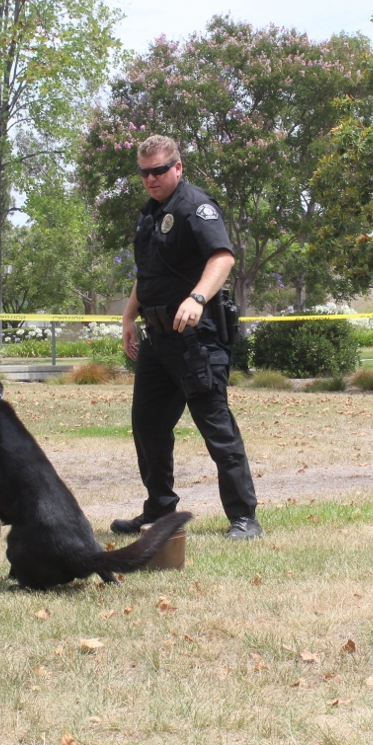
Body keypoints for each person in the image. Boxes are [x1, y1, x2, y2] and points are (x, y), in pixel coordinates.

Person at [112, 135, 262, 540]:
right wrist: (129, 316)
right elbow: (147, 277)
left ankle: (245, 518)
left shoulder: (196, 206)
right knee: (148, 426)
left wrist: (198, 297)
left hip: (196, 339)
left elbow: (222, 257)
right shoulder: (149, 214)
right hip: (157, 340)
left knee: (216, 427)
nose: (151, 178)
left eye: (159, 170)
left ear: (177, 167)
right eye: (144, 172)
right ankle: (159, 511)